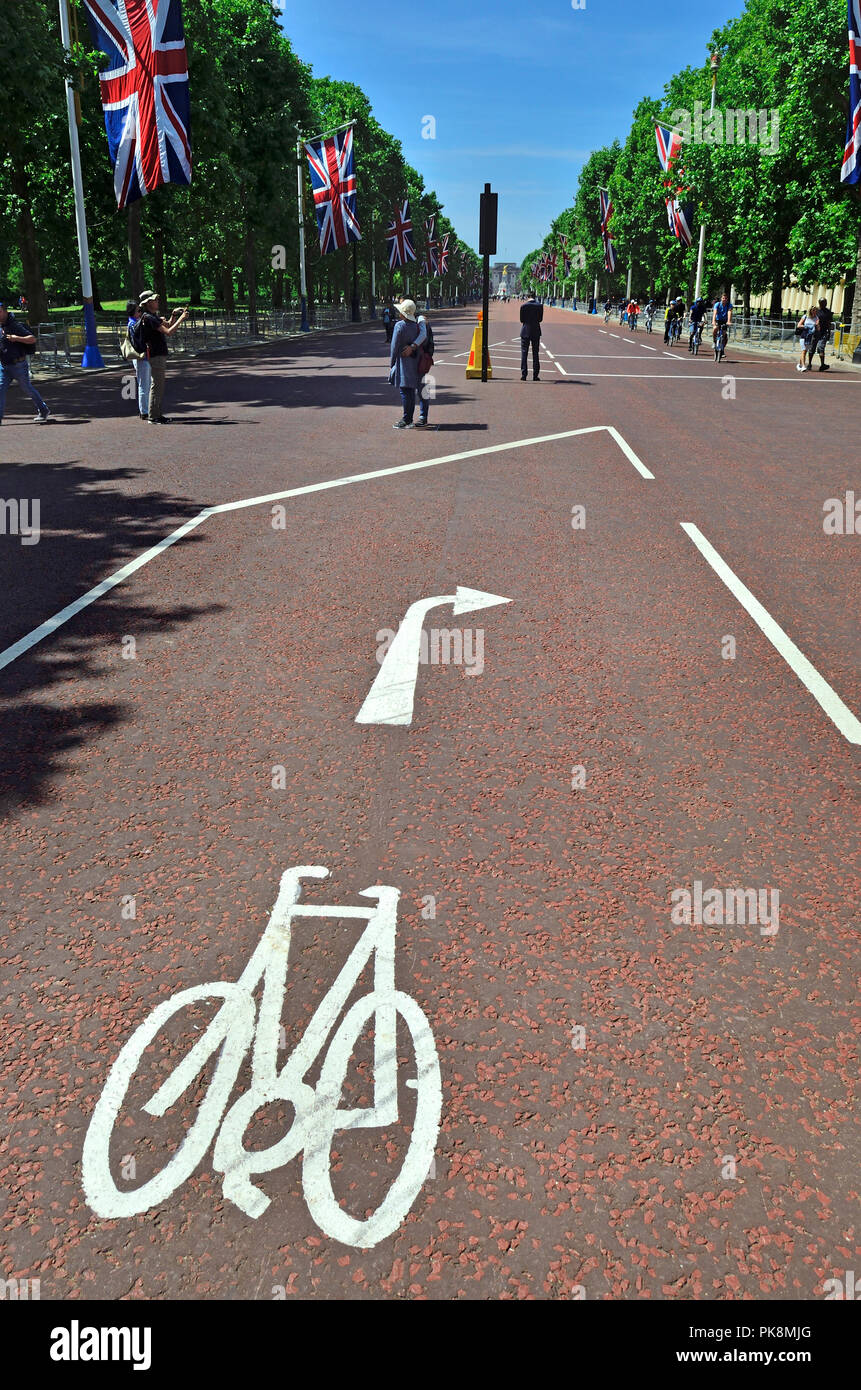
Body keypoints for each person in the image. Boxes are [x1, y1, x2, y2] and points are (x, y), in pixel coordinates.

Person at [137, 289, 189, 423]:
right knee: (157, 385)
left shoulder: (152, 316)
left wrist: (174, 315)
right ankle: (154, 416)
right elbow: (169, 332)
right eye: (155, 300)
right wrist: (182, 319)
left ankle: (157, 414)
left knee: (159, 385)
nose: (158, 301)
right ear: (148, 303)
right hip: (156, 354)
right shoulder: (149, 318)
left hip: (157, 354)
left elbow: (168, 324)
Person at [0, 301, 50, 424]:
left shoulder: (15, 325)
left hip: (18, 365)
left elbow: (32, 339)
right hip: (4, 366)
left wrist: (15, 338)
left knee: (27, 389)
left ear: (5, 311)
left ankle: (43, 410)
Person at [388, 297, 422, 428]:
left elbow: (394, 346)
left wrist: (392, 363)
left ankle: (406, 419)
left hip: (403, 362)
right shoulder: (416, 326)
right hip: (414, 361)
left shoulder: (399, 325)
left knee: (404, 391)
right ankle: (410, 418)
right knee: (411, 391)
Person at [125, 300, 151, 420]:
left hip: (143, 356)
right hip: (140, 357)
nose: (140, 312)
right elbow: (139, 338)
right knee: (144, 384)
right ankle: (144, 411)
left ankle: (147, 409)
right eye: (138, 310)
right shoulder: (132, 324)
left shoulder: (135, 322)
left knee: (147, 383)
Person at [413, 311, 435, 428]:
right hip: (419, 358)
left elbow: (425, 339)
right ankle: (420, 416)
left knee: (421, 387)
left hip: (420, 359)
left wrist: (413, 346)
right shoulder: (416, 320)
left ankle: (423, 416)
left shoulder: (421, 321)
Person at [519, 291, 543, 380]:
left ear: (528, 296)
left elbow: (522, 320)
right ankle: (535, 375)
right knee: (535, 354)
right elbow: (540, 319)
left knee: (524, 354)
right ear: (535, 296)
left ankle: (524, 375)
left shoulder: (523, 306)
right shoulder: (540, 306)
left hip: (525, 331)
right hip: (536, 331)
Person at [813, 298, 833, 372]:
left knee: (821, 348)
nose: (825, 304)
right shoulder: (816, 311)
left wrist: (829, 332)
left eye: (825, 302)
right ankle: (809, 364)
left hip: (824, 332)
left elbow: (829, 323)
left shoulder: (828, 312)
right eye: (823, 303)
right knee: (812, 348)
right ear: (820, 303)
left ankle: (822, 365)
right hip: (815, 332)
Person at [796, 306, 818, 372]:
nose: (815, 312)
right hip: (804, 336)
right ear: (810, 311)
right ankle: (803, 366)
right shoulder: (805, 316)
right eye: (814, 310)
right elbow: (799, 325)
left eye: (816, 311)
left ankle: (799, 365)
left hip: (810, 337)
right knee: (804, 350)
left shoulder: (816, 318)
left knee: (805, 351)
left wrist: (816, 326)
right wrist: (806, 326)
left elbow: (818, 328)